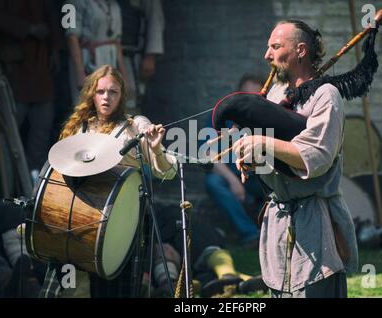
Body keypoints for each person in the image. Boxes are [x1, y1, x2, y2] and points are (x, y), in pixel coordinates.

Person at [232, 20, 358, 298]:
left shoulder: (326, 95)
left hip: (316, 223)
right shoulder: (276, 95)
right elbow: (275, 159)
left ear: (301, 50)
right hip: (277, 220)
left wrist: (262, 142)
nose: (267, 55)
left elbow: (316, 156)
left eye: (275, 46)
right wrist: (252, 157)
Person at [39, 64, 177, 298]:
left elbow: (167, 172)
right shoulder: (78, 127)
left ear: (121, 95)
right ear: (91, 93)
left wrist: (156, 149)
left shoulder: (135, 126)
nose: (106, 97)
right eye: (101, 91)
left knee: (112, 290)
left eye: (113, 92)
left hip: (122, 222)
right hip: (79, 218)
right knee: (72, 288)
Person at [0, 0, 61, 183]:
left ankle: (35, 184)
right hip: (13, 72)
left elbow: (53, 16)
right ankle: (8, 186)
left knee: (41, 132)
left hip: (41, 69)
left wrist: (54, 48)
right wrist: (28, 29)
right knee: (6, 138)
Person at [150, 203, 267, 298]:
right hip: (196, 250)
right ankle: (238, 280)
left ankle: (173, 285)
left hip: (180, 240)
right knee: (209, 258)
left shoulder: (168, 215)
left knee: (204, 251)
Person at [204, 75, 266, 247]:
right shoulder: (220, 115)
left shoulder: (269, 118)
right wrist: (234, 181)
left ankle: (272, 233)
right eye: (245, 94)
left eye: (256, 96)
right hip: (232, 175)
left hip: (261, 179)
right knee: (213, 181)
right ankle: (251, 235)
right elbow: (209, 153)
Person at [65, 0, 128, 104]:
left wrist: (123, 74)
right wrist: (80, 73)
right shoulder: (72, 3)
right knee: (87, 105)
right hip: (87, 61)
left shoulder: (113, 4)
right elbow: (71, 37)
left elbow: (117, 41)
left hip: (110, 60)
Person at [119, 0, 165, 113]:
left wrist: (150, 56)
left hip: (131, 56)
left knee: (130, 98)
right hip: (103, 52)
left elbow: (155, 19)